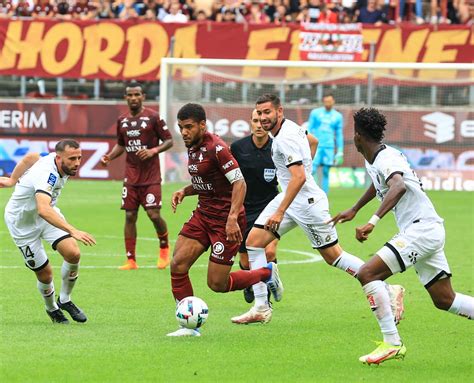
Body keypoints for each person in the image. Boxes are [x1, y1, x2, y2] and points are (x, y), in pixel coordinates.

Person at [231, 94, 404, 325]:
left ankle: (387, 287)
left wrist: (280, 210)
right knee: (253, 242)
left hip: (307, 204)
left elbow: (299, 177)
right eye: (259, 113)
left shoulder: (285, 139)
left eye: (267, 113)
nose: (262, 118)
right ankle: (261, 307)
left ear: (279, 111)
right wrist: (305, 167)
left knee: (334, 257)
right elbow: (312, 141)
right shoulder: (290, 128)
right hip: (291, 197)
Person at [330, 107, 474, 365]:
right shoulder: (374, 159)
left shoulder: (388, 158)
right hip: (425, 230)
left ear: (358, 136)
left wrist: (372, 221)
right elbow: (379, 184)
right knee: (444, 299)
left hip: (421, 230)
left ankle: (392, 343)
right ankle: (391, 328)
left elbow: (398, 185)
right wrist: (355, 208)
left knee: (367, 274)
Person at [167, 103, 282, 337]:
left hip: (225, 221)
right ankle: (189, 326)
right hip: (203, 215)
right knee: (178, 265)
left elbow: (239, 182)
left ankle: (266, 273)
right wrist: (186, 191)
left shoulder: (217, 148)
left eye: (189, 127)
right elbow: (209, 181)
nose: (184, 132)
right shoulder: (192, 146)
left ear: (202, 125)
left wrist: (231, 218)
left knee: (217, 284)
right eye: (181, 127)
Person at [230, 109, 318, 307]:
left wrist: (306, 168)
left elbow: (312, 142)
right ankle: (249, 282)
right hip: (244, 207)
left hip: (270, 205)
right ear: (250, 123)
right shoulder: (237, 148)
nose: (259, 125)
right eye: (255, 121)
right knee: (245, 260)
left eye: (262, 121)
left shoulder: (278, 145)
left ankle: (265, 300)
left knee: (269, 253)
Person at [2, 140, 96, 324]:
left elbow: (31, 157)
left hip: (46, 216)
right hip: (22, 223)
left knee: (73, 253)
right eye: (72, 159)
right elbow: (43, 209)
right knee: (45, 273)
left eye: (79, 157)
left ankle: (65, 300)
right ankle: (52, 308)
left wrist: (13, 179)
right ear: (59, 158)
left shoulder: (54, 160)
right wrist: (72, 230)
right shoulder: (47, 174)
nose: (77, 162)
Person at [100, 83, 173, 270]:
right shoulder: (122, 120)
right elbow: (121, 145)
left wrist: (153, 150)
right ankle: (131, 260)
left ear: (143, 96)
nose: (133, 98)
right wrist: (109, 156)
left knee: (153, 214)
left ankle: (164, 249)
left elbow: (169, 140)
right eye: (130, 95)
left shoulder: (153, 117)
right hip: (131, 177)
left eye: (137, 94)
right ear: (126, 97)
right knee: (130, 215)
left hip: (151, 176)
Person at [307, 92, 344, 195]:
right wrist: (307, 144)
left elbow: (339, 134)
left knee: (326, 172)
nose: (328, 103)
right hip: (317, 146)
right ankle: (309, 193)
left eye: (330, 101)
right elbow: (309, 129)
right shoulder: (315, 113)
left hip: (329, 147)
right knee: (311, 170)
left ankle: (324, 196)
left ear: (333, 101)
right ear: (323, 101)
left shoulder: (338, 116)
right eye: (326, 101)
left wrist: (340, 151)